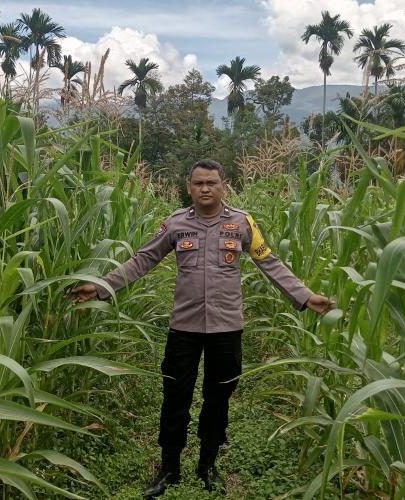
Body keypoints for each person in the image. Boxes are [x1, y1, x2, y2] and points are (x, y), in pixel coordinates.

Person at [71, 159, 332, 497]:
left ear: (224, 185)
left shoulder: (242, 224)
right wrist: (102, 286)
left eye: (212, 183)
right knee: (174, 398)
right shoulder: (176, 224)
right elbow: (144, 259)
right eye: (198, 184)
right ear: (189, 187)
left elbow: (269, 262)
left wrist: (304, 295)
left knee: (218, 398)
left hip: (227, 328)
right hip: (185, 327)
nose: (205, 189)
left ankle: (208, 465)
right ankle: (169, 468)